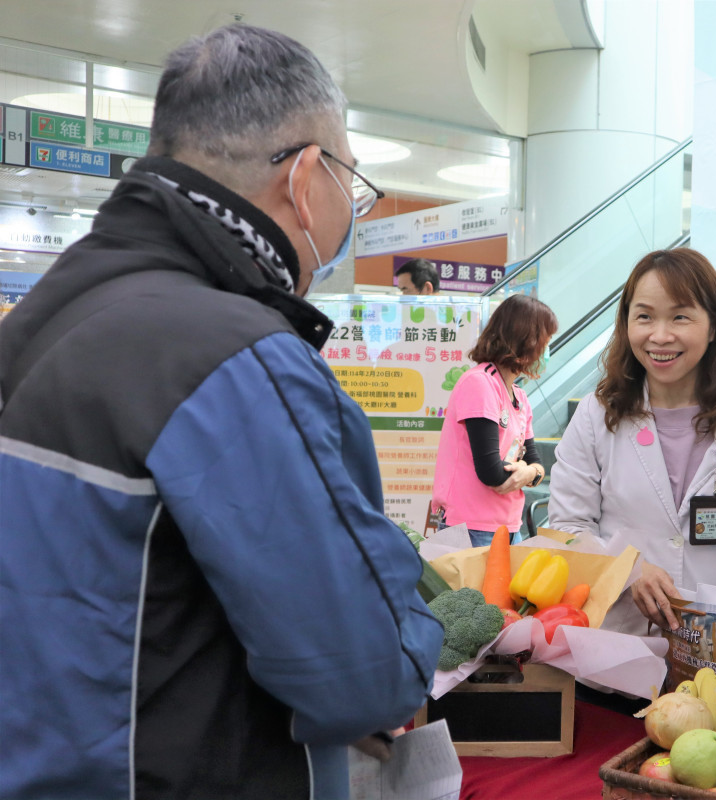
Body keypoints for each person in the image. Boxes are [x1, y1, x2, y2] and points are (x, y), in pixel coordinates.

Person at [0, 25, 443, 800]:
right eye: (352, 182)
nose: (349, 208)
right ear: (308, 177)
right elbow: (363, 675)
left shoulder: (47, 313)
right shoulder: (235, 359)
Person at [548, 248, 716, 636]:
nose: (660, 336)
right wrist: (627, 570)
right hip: (617, 637)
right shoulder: (597, 415)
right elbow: (567, 526)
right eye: (644, 316)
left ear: (713, 327)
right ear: (626, 322)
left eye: (680, 316)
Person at [431, 294, 557, 547]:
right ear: (526, 340)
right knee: (465, 589)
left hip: (510, 527)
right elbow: (491, 473)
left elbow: (536, 462)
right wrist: (531, 473)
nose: (547, 349)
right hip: (469, 528)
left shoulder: (519, 396)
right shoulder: (479, 383)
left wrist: (530, 471)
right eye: (546, 340)